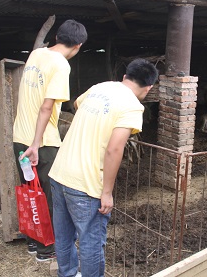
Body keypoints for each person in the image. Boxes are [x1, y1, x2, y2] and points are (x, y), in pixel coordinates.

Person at [49, 58, 159, 277]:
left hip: (59, 173)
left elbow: (77, 105)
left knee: (63, 236)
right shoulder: (132, 107)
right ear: (149, 88)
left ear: (125, 77)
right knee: (90, 242)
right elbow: (114, 150)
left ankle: (67, 274)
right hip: (85, 184)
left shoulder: (100, 87)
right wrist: (107, 192)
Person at [13, 19, 88, 262]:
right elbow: (47, 107)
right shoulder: (61, 65)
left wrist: (28, 143)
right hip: (42, 143)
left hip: (19, 137)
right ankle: (47, 250)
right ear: (77, 46)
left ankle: (34, 244)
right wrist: (36, 144)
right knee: (50, 197)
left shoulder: (36, 54)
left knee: (31, 192)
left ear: (57, 37)